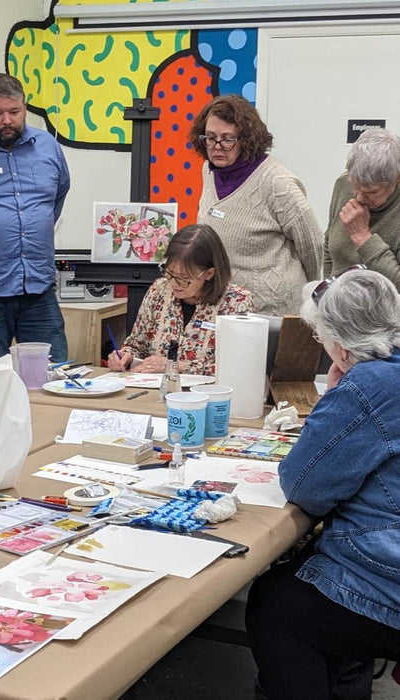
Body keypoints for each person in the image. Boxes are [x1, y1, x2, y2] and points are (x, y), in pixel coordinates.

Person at [245, 267, 400, 700]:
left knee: (277, 605)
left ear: (336, 340)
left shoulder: (371, 383)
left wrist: (336, 397)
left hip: (392, 576)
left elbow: (305, 485)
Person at [0, 73, 71, 362]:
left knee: (54, 374)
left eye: (14, 112)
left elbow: (56, 198)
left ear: (24, 108)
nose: (7, 120)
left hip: (38, 288)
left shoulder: (47, 145)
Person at [189, 94, 322, 316]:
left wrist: (309, 294)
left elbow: (312, 245)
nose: (217, 146)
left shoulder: (278, 183)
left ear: (246, 139)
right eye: (210, 138)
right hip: (226, 308)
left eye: (228, 138)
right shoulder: (209, 170)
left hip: (272, 311)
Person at [107, 223, 252, 375]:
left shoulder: (236, 302)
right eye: (169, 273)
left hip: (207, 394)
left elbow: (239, 368)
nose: (173, 283)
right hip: (152, 390)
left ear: (209, 274)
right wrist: (125, 355)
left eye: (184, 278)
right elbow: (137, 344)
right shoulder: (159, 290)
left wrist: (177, 366)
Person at [323, 127, 400, 289]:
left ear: (396, 180)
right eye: (355, 186)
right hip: (337, 306)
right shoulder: (343, 184)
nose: (358, 197)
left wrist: (363, 238)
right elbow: (329, 245)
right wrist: (326, 294)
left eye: (371, 191)